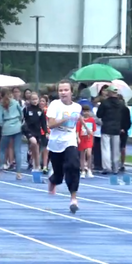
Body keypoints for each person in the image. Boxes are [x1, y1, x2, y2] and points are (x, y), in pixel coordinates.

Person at [46, 80, 90, 213]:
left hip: (70, 139)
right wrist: (64, 120)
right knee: (59, 175)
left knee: (73, 166)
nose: (63, 93)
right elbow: (51, 124)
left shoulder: (77, 106)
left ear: (71, 92)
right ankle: (53, 180)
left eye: (66, 90)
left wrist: (87, 128)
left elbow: (78, 117)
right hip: (55, 141)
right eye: (60, 90)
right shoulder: (54, 105)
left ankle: (73, 198)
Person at [0, 88, 23, 180]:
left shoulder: (1, 105)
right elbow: (21, 114)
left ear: (1, 95)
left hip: (6, 127)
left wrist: (4, 125)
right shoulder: (15, 102)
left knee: (2, 150)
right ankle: (18, 173)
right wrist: (18, 121)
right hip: (17, 126)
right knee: (17, 150)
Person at [96, 86, 126, 174]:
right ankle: (115, 167)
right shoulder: (121, 104)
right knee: (116, 149)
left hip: (106, 127)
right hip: (116, 128)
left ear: (109, 93)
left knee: (106, 148)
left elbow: (99, 115)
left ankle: (106, 167)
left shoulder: (105, 103)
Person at [23, 92, 48, 172]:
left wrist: (46, 132)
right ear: (30, 100)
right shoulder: (26, 109)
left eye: (36, 99)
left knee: (36, 149)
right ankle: (33, 159)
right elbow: (23, 120)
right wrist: (24, 131)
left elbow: (43, 123)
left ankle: (36, 165)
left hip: (37, 132)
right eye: (33, 99)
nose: (35, 101)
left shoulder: (40, 111)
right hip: (29, 131)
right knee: (33, 143)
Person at [76, 105, 96, 178]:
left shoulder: (92, 120)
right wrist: (78, 137)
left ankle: (89, 169)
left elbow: (93, 130)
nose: (86, 113)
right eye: (84, 111)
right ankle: (83, 170)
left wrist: (91, 136)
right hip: (82, 139)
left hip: (89, 139)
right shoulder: (80, 120)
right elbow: (77, 130)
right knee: (82, 155)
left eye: (87, 111)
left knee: (89, 154)